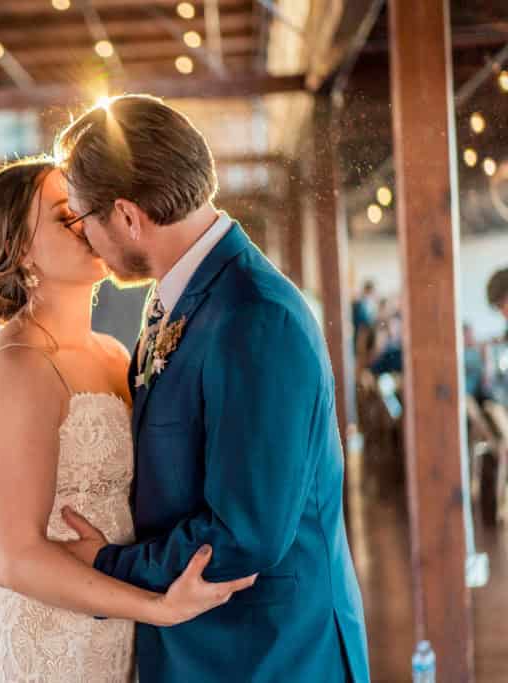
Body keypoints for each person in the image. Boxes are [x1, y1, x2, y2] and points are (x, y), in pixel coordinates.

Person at [52, 94, 369, 681]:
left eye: (80, 219)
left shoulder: (255, 314)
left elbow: (243, 534)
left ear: (126, 215)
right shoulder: (178, 297)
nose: (84, 240)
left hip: (269, 653)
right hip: (215, 646)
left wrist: (105, 566)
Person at [0, 157, 257, 682]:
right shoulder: (17, 367)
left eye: (86, 208)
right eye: (66, 216)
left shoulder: (115, 354)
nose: (87, 221)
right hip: (44, 644)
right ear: (19, 246)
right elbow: (15, 560)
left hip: (115, 633)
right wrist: (157, 607)